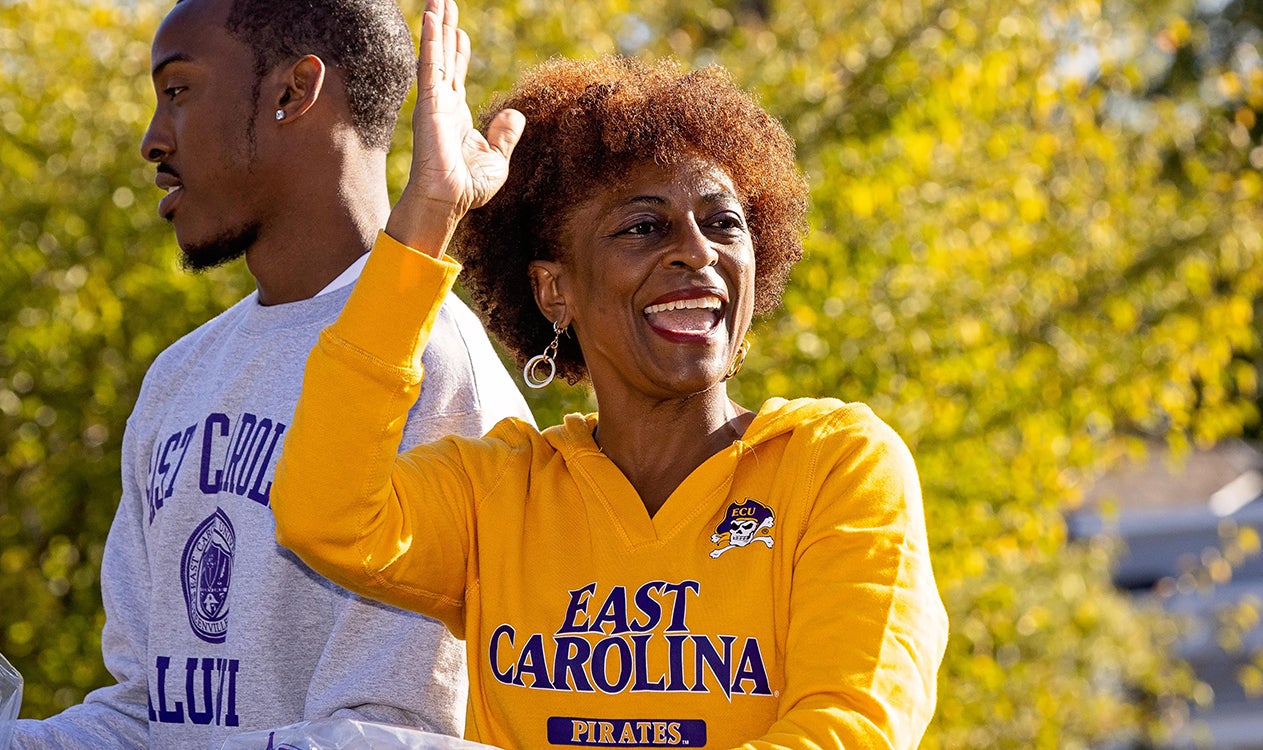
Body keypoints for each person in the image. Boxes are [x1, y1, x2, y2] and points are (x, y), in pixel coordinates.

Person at [269, 0, 949, 746]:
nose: (697, 252)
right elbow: (324, 515)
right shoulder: (500, 493)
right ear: (554, 289)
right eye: (642, 226)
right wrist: (429, 215)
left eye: (724, 222)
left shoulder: (834, 465)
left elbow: (850, 729)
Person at [12, 0, 533, 746]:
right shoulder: (178, 376)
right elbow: (137, 720)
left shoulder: (437, 368)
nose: (152, 140)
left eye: (179, 91)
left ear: (293, 92)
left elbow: (402, 734)